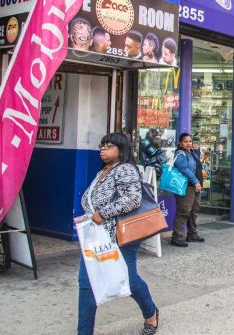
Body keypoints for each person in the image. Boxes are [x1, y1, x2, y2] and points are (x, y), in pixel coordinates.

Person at [78, 132, 159, 335]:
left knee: (129, 281)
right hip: (95, 236)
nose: (102, 149)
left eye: (108, 146)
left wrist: (103, 213)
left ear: (121, 150)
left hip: (121, 236)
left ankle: (151, 313)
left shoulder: (125, 170)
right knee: (87, 284)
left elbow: (132, 199)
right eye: (102, 145)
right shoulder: (104, 171)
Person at [170, 133, 204, 247]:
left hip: (196, 186)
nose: (188, 143)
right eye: (185, 141)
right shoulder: (180, 153)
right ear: (180, 143)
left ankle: (192, 234)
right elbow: (183, 169)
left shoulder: (192, 153)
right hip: (187, 186)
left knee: (194, 211)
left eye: (190, 141)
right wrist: (195, 181)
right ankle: (177, 237)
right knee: (184, 211)